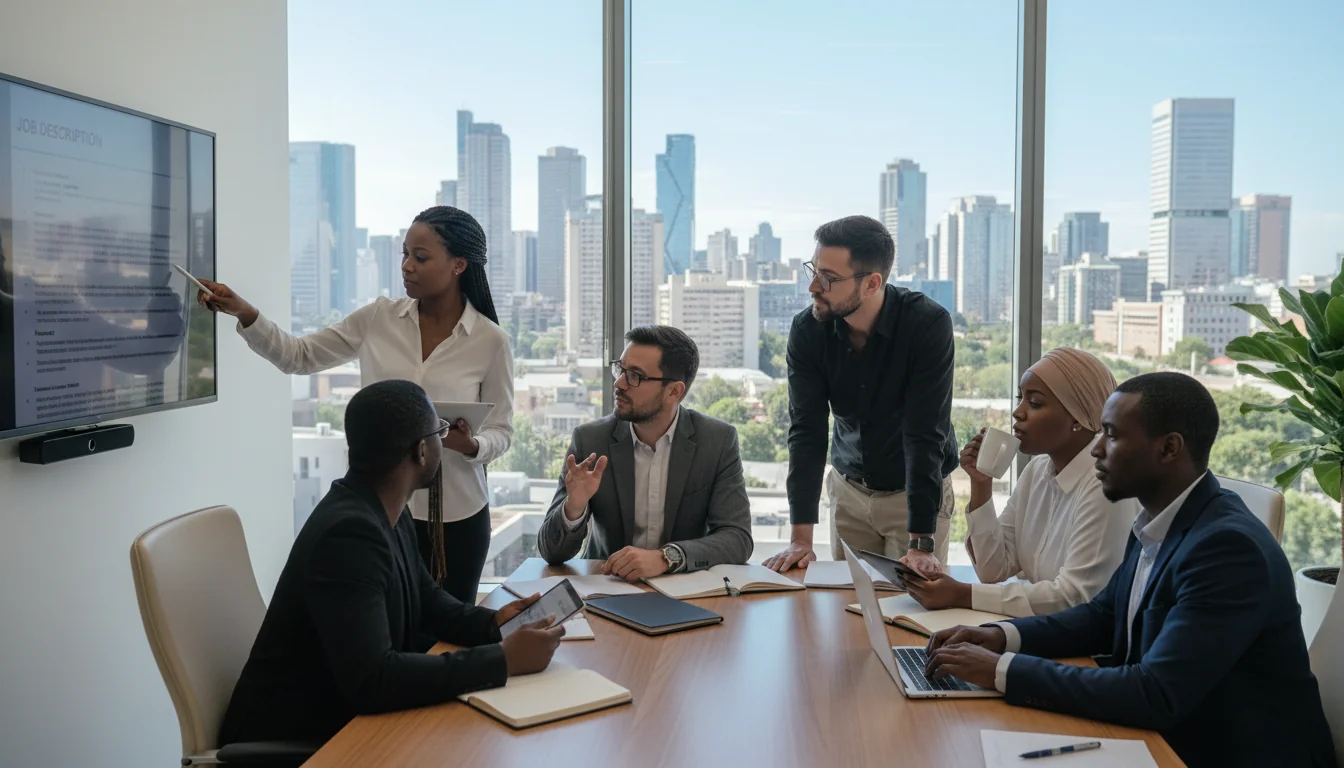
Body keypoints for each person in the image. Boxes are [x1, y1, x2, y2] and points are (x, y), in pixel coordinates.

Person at [924, 373, 1335, 767]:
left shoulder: (1228, 549)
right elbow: (1103, 616)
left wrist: (1001, 670)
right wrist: (998, 638)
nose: (1097, 449)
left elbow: (1155, 693)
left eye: (1112, 435)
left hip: (1225, 753)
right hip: (1170, 736)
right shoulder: (1159, 518)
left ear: (1169, 448)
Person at [219, 380, 562, 746]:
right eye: (439, 432)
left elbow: (428, 600)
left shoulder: (379, 507)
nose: (442, 442)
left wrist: (493, 624)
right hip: (297, 738)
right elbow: (373, 679)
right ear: (421, 452)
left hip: (340, 719)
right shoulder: (349, 535)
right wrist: (501, 661)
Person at [198, 206, 512, 604]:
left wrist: (471, 446)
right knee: (384, 635)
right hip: (382, 512)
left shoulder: (491, 341)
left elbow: (501, 431)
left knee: (449, 637)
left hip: (457, 519)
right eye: (404, 254)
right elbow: (299, 356)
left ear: (458, 265)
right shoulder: (378, 319)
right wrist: (246, 313)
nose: (406, 267)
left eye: (421, 257)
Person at [763, 215, 958, 577]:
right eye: (814, 270)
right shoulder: (808, 330)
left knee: (909, 611)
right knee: (851, 608)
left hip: (913, 497)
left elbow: (924, 433)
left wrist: (921, 543)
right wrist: (800, 539)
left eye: (829, 278)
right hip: (849, 491)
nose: (813, 287)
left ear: (872, 283)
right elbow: (806, 431)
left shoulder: (926, 324)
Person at [905, 348, 1137, 617]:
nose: (1018, 412)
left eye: (1035, 403)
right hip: (1044, 632)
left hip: (1089, 651)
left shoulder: (1105, 486)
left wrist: (962, 594)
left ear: (1077, 416)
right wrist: (982, 483)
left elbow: (1075, 597)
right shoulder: (1038, 470)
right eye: (1020, 399)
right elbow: (993, 569)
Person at [538, 325, 752, 580]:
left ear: (674, 391)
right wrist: (574, 507)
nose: (619, 383)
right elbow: (552, 553)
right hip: (608, 586)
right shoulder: (590, 440)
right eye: (621, 369)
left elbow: (737, 538)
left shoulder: (716, 441)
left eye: (636, 376)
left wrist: (667, 558)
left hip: (686, 590)